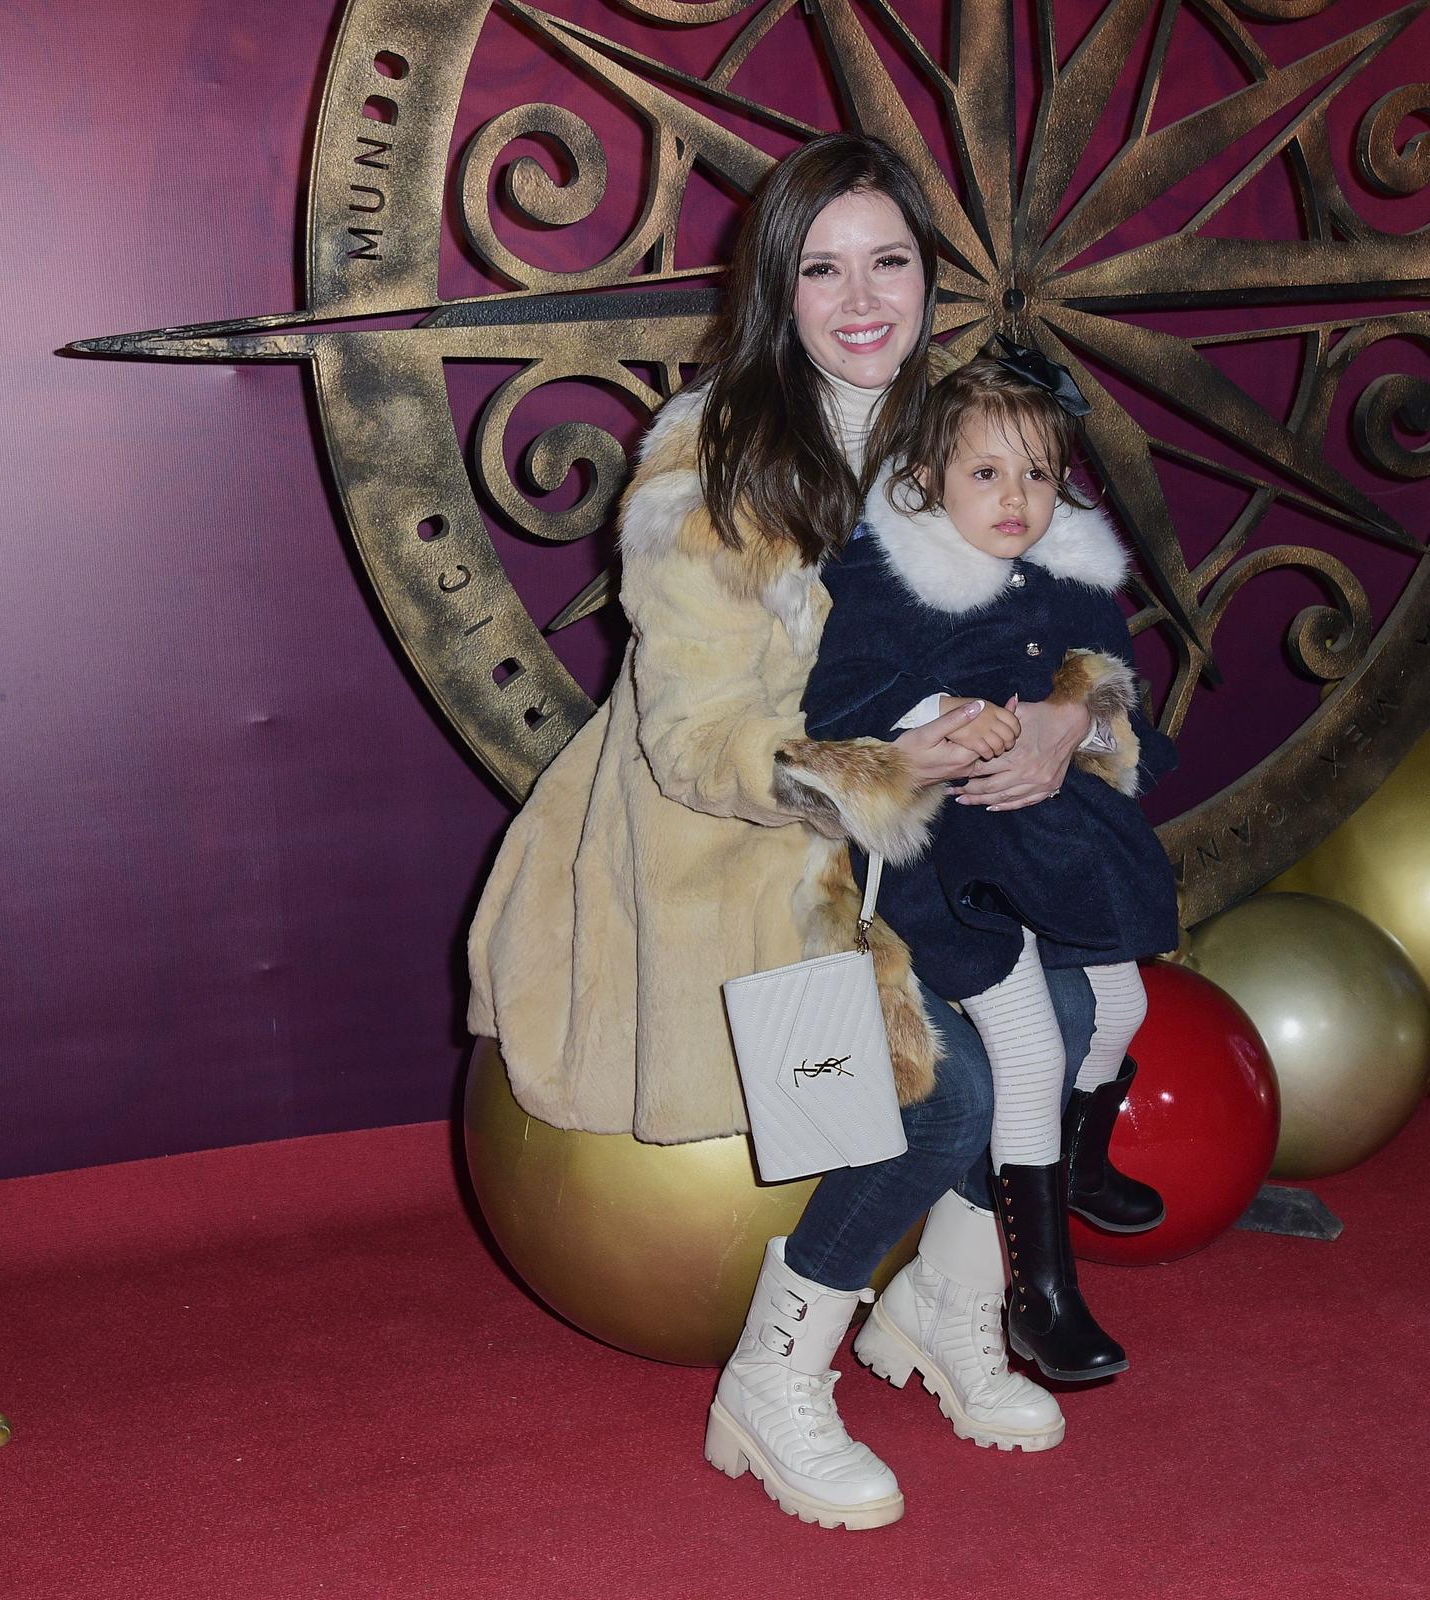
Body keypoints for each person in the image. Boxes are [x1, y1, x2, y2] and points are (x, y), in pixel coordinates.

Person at [465, 134, 1117, 1531]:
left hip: (920, 838)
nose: (863, 298)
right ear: (777, 289)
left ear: (930, 280)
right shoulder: (709, 462)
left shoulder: (959, 425)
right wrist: (881, 766)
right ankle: (773, 1382)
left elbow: (1079, 614)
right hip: (732, 850)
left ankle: (945, 1311)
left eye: (890, 262)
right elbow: (694, 745)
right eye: (824, 269)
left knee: (1059, 1008)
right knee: (931, 1093)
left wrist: (1071, 713)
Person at [801, 354, 1179, 1384]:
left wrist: (1080, 714)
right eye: (986, 476)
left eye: (1040, 477)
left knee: (1123, 1005)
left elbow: (1119, 706)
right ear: (927, 476)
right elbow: (838, 708)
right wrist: (934, 723)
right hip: (944, 851)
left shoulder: (1067, 574)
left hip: (1043, 838)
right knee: (1025, 1041)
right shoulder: (891, 576)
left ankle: (1081, 1156)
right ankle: (1040, 1294)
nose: (1016, 502)